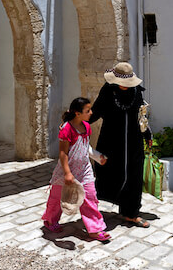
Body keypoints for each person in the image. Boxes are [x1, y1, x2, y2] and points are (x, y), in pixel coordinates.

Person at [90, 62, 151, 228]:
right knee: (108, 174)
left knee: (134, 177)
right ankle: (91, 210)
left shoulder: (137, 91)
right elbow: (95, 112)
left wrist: (147, 134)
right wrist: (77, 124)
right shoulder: (108, 90)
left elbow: (142, 115)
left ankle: (131, 213)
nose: (125, 86)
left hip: (134, 141)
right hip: (111, 141)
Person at [42, 97, 111, 241]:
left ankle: (95, 229)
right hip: (66, 171)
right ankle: (50, 221)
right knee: (56, 198)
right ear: (77, 113)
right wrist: (67, 173)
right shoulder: (67, 129)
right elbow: (63, 153)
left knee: (90, 198)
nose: (91, 113)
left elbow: (86, 148)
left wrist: (98, 157)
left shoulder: (86, 126)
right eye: (87, 110)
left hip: (84, 169)